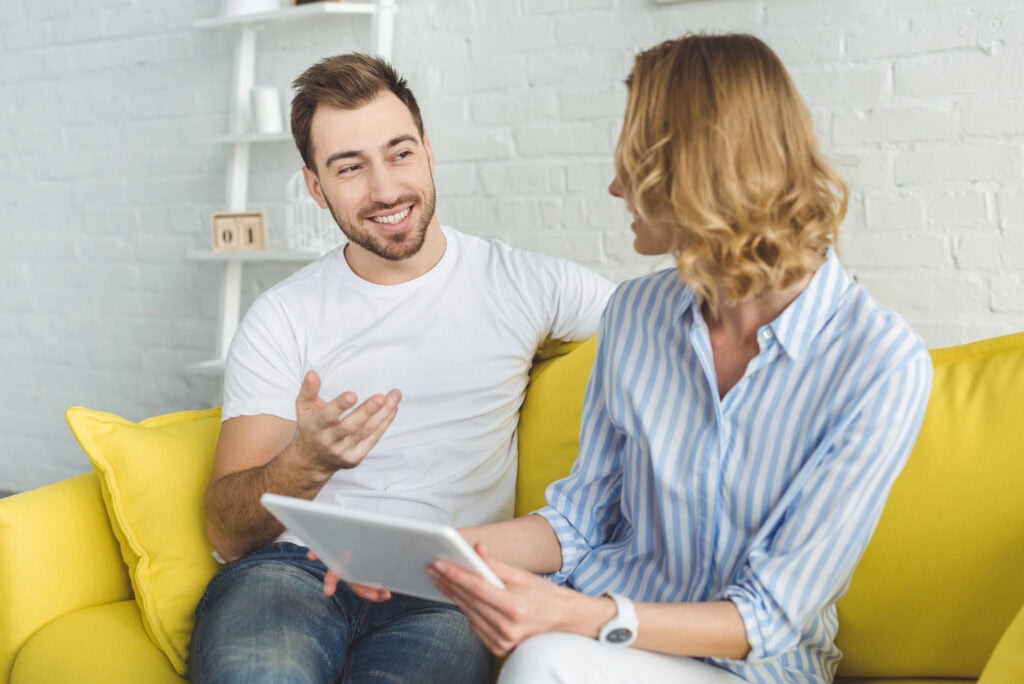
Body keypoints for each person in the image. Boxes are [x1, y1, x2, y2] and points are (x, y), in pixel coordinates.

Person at [427, 34, 933, 683]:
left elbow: (768, 617)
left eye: (633, 160)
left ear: (691, 169)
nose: (615, 186)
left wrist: (578, 614)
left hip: (750, 670)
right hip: (610, 648)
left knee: (545, 659)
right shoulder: (634, 315)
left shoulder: (880, 364)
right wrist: (441, 555)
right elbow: (580, 522)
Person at [188, 52, 615, 684]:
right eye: (350, 167)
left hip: (443, 583)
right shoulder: (284, 315)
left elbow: (673, 330)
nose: (385, 189)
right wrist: (308, 463)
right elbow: (227, 533)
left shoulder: (527, 284)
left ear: (428, 151)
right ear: (315, 186)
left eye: (400, 153)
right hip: (295, 570)